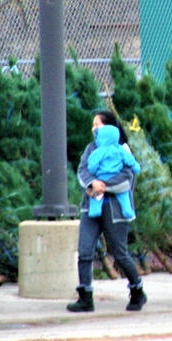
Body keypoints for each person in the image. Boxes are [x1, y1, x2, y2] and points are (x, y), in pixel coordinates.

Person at [69, 110, 146, 313]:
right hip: (90, 206)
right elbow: (82, 170)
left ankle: (137, 290)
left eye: (98, 124)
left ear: (110, 128)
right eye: (93, 125)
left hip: (115, 209)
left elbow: (128, 178)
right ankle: (85, 297)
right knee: (85, 252)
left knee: (120, 254)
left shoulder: (123, 150)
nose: (94, 128)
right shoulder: (91, 149)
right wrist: (92, 184)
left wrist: (104, 185)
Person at [86, 124, 140, 219]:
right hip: (118, 181)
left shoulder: (99, 151)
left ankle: (95, 210)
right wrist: (136, 167)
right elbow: (130, 160)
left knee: (95, 194)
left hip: (101, 181)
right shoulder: (120, 149)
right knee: (124, 194)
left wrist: (93, 172)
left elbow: (92, 165)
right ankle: (127, 210)